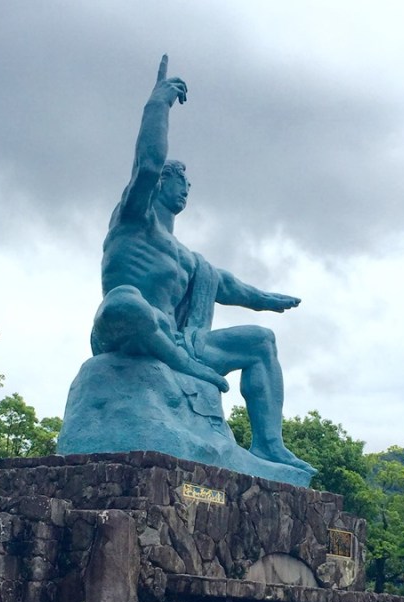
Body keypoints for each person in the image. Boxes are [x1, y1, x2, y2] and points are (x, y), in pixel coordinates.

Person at [91, 55, 312, 474]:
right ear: (162, 184)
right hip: (126, 333)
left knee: (261, 341)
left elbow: (228, 286)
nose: (187, 189)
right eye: (181, 182)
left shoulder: (188, 258)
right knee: (125, 301)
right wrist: (157, 105)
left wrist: (267, 299)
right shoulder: (132, 220)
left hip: (180, 342)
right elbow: (147, 164)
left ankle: (268, 445)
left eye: (190, 184)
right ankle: (180, 364)